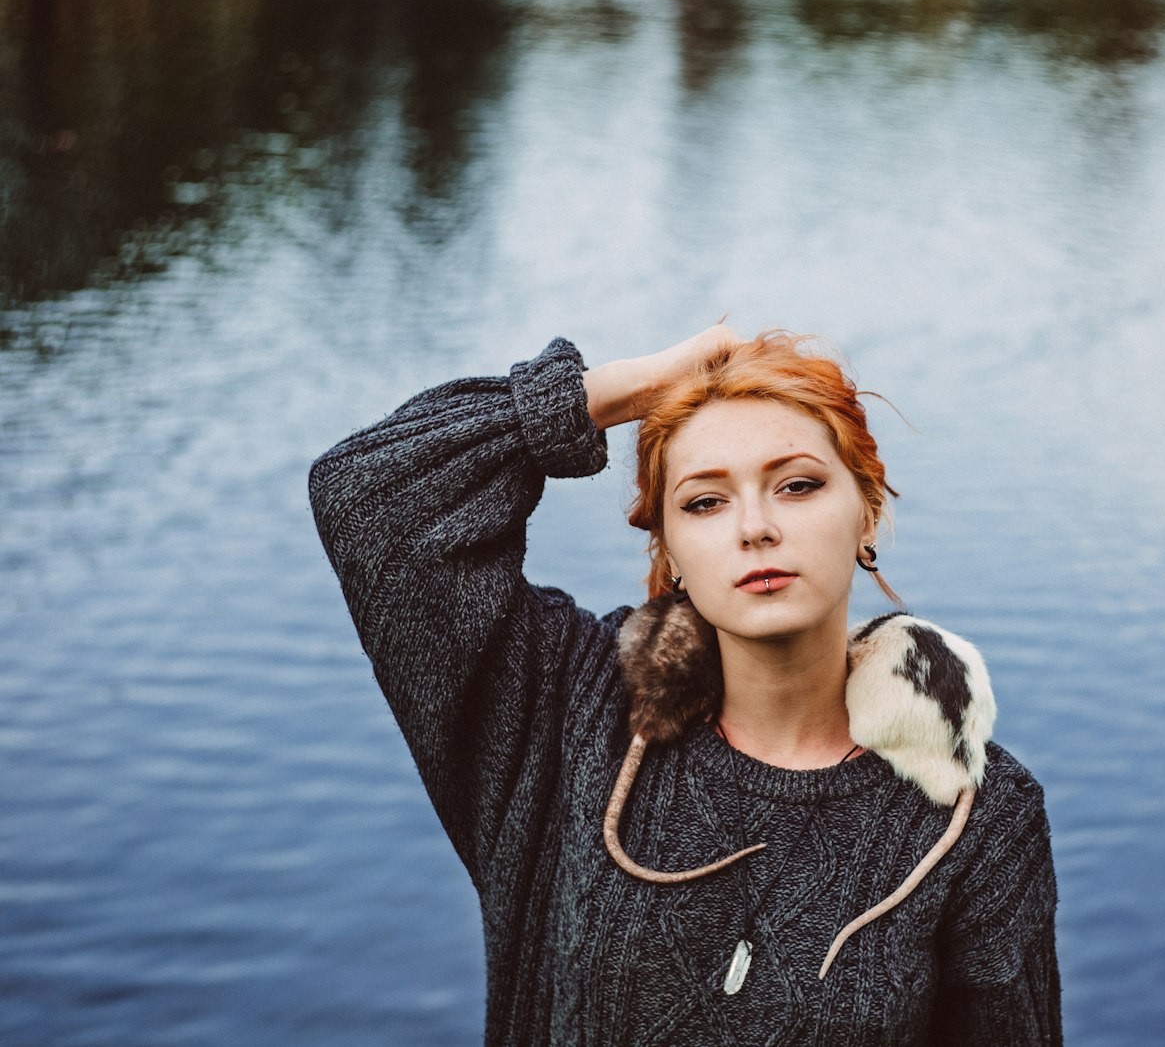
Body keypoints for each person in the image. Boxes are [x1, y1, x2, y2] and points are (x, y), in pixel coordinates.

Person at [308, 322, 1063, 1045]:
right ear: (668, 547)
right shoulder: (573, 707)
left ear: (867, 511)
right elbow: (368, 495)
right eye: (705, 500)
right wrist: (617, 393)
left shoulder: (977, 813)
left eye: (797, 485)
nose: (755, 526)